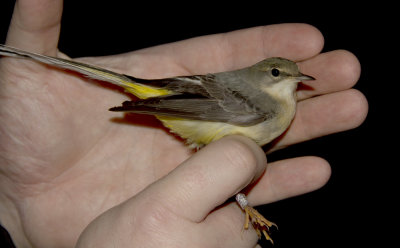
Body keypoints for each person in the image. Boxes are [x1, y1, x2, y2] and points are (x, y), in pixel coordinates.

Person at [0, 0, 368, 247]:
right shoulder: (268, 107)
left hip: (185, 96)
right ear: (262, 75)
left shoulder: (280, 107)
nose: (291, 78)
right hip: (189, 104)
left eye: (294, 75)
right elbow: (207, 107)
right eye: (277, 73)